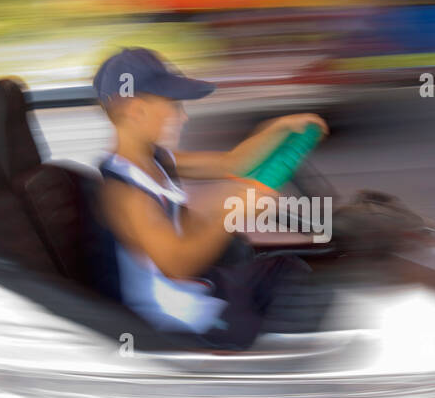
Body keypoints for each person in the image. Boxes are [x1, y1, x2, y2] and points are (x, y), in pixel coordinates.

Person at [93, 47, 327, 349]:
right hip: (188, 321)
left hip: (204, 292)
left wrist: (279, 128)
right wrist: (230, 212)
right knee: (305, 309)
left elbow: (233, 163)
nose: (184, 117)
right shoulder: (125, 193)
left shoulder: (158, 160)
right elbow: (178, 264)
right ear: (137, 110)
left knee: (289, 270)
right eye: (174, 106)